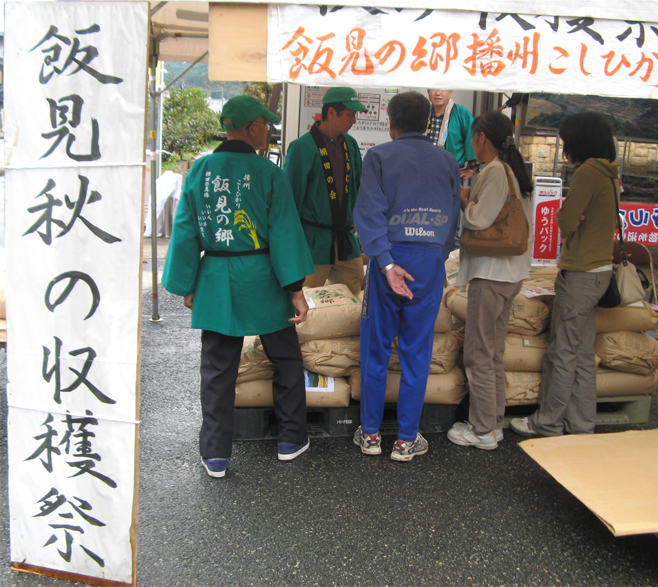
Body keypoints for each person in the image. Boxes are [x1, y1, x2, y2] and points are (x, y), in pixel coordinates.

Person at [163, 95, 315, 477]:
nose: (268, 131)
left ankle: (215, 454)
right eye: (265, 125)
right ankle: (291, 439)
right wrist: (296, 289)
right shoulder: (269, 173)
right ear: (252, 128)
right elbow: (284, 233)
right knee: (285, 358)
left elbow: (185, 229)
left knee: (218, 368)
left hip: (216, 276)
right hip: (263, 277)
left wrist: (187, 283)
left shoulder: (199, 170)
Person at [352, 91, 460, 461]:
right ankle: (406, 440)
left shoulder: (379, 156)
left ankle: (370, 435)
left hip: (389, 258)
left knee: (376, 349)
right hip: (429, 260)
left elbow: (368, 212)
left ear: (391, 122)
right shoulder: (447, 160)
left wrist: (385, 263)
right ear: (428, 122)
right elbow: (453, 219)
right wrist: (438, 258)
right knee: (417, 351)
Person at [510, 111, 620, 438]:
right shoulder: (610, 174)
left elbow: (566, 221)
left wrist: (568, 214)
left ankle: (547, 421)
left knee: (562, 352)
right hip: (601, 272)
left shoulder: (588, 173)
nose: (565, 148)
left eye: (567, 141)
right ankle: (581, 424)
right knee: (583, 354)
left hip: (581, 273)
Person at [446, 112, 534, 450]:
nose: (472, 142)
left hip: (491, 275)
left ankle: (482, 430)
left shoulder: (496, 171)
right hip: (509, 274)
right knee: (493, 352)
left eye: (473, 136)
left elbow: (478, 219)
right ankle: (493, 422)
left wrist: (463, 199)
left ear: (482, 138)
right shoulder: (511, 170)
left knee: (479, 353)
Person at [284, 87, 368, 295]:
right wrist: (291, 244)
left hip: (345, 240)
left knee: (354, 294)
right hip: (314, 242)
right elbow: (291, 199)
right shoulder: (301, 147)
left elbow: (359, 185)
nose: (354, 121)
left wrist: (358, 217)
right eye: (350, 115)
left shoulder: (350, 145)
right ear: (331, 112)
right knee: (306, 298)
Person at [426, 89, 478, 181]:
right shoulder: (424, 113)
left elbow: (473, 137)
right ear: (428, 91)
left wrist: (472, 169)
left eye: (443, 89)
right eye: (433, 89)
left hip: (450, 174)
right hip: (425, 171)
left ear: (450, 91)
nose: (438, 93)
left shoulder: (462, 113)